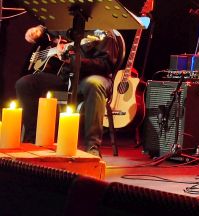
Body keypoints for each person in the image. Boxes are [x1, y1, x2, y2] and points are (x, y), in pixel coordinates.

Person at [16, 25, 121, 157]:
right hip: (65, 77)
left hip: (91, 76)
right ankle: (31, 142)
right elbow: (48, 31)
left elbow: (105, 65)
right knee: (25, 83)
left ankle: (92, 147)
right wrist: (38, 31)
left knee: (94, 84)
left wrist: (74, 61)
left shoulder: (103, 31)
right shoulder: (67, 23)